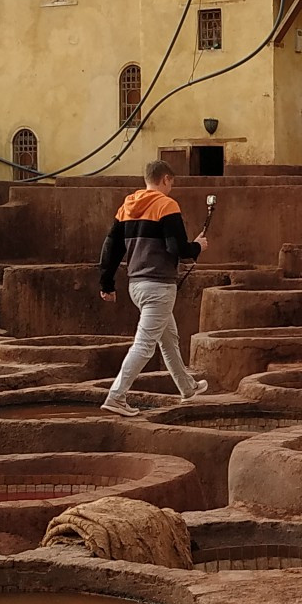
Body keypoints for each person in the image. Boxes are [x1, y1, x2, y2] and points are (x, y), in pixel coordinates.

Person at [97, 160, 209, 416]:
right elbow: (177, 248)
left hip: (136, 285)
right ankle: (116, 396)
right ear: (166, 179)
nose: (172, 187)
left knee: (168, 339)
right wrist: (197, 246)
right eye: (172, 182)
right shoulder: (166, 205)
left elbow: (111, 247)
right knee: (145, 344)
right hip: (158, 286)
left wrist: (107, 282)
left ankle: (187, 387)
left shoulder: (127, 205)